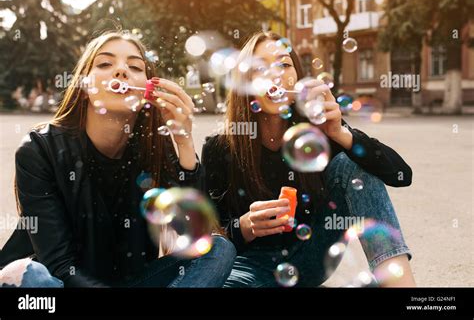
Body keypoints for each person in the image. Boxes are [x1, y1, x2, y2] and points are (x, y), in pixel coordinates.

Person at [0, 31, 235, 288]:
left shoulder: (154, 148)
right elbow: (59, 266)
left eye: (135, 66)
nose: (121, 71)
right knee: (31, 274)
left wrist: (184, 140)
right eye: (104, 63)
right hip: (56, 283)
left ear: (148, 90)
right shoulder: (39, 149)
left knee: (218, 250)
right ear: (84, 86)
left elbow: (192, 233)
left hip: (128, 283)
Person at [202, 31, 416, 287]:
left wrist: (341, 133)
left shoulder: (320, 129)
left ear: (297, 77)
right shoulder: (219, 146)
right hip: (249, 267)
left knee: (352, 164)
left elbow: (402, 175)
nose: (276, 74)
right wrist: (245, 226)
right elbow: (211, 238)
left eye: (284, 64)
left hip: (311, 255)